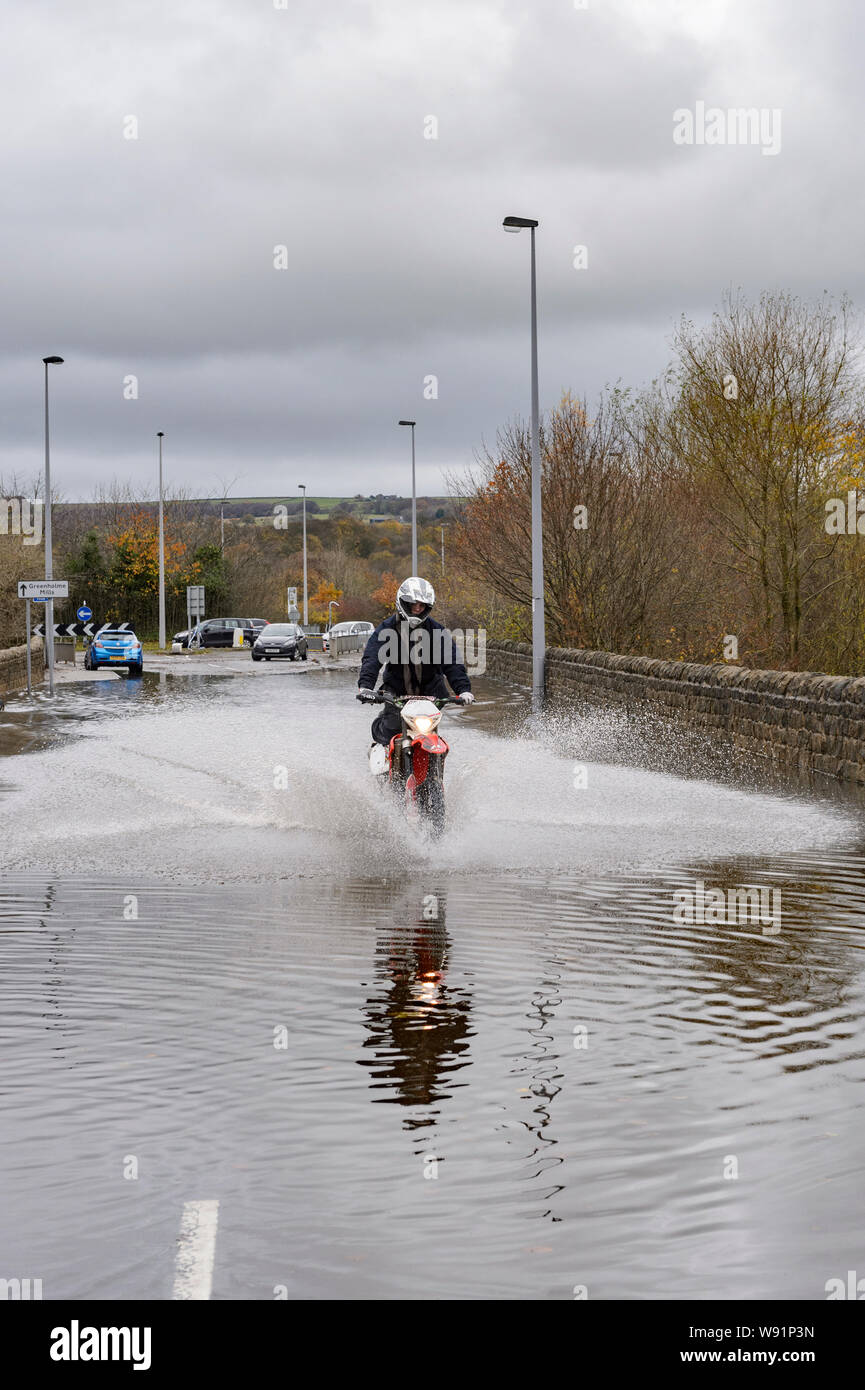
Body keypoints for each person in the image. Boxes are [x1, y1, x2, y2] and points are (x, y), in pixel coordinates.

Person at [356, 576, 474, 747]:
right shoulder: (387, 628)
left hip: (431, 694)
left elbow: (452, 662)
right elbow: (372, 657)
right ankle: (380, 746)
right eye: (413, 604)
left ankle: (435, 766)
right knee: (392, 727)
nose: (418, 609)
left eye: (422, 605)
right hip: (396, 693)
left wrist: (464, 690)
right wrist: (366, 686)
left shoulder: (437, 631)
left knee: (431, 734)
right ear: (403, 603)